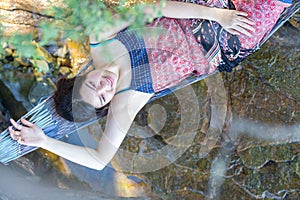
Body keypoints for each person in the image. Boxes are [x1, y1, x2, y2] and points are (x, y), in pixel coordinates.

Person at [8, 0, 292, 170]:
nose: (104, 86)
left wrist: (218, 15)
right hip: (219, 42)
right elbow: (98, 161)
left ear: (82, 75)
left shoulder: (101, 38)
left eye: (92, 84)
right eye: (102, 97)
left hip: (200, 8)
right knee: (257, 16)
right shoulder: (126, 99)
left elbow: (152, 6)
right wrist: (45, 141)